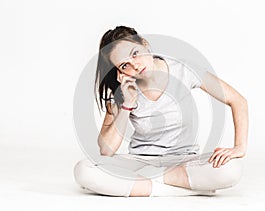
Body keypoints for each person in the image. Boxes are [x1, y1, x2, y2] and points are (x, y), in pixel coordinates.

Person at [73, 26, 248, 197]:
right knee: (84, 170)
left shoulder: (183, 70)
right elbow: (106, 150)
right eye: (125, 65)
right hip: (141, 162)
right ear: (119, 71)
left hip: (183, 160)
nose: (135, 65)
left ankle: (147, 185)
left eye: (135, 53)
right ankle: (187, 189)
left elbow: (237, 100)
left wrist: (239, 147)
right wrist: (127, 103)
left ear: (144, 43)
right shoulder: (123, 90)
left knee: (230, 170)